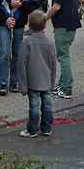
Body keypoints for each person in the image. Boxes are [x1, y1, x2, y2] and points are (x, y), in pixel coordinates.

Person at [42, 0, 81, 99]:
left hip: (64, 24)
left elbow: (57, 6)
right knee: (63, 54)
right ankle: (63, 83)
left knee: (63, 55)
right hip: (67, 23)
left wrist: (45, 18)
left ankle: (66, 88)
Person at [17, 10, 57, 138]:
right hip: (46, 80)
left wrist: (22, 85)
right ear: (45, 26)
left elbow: (21, 64)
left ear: (29, 25)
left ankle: (32, 129)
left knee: (34, 106)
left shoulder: (26, 42)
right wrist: (52, 82)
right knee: (47, 106)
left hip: (32, 80)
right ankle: (47, 128)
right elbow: (53, 64)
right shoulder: (50, 43)